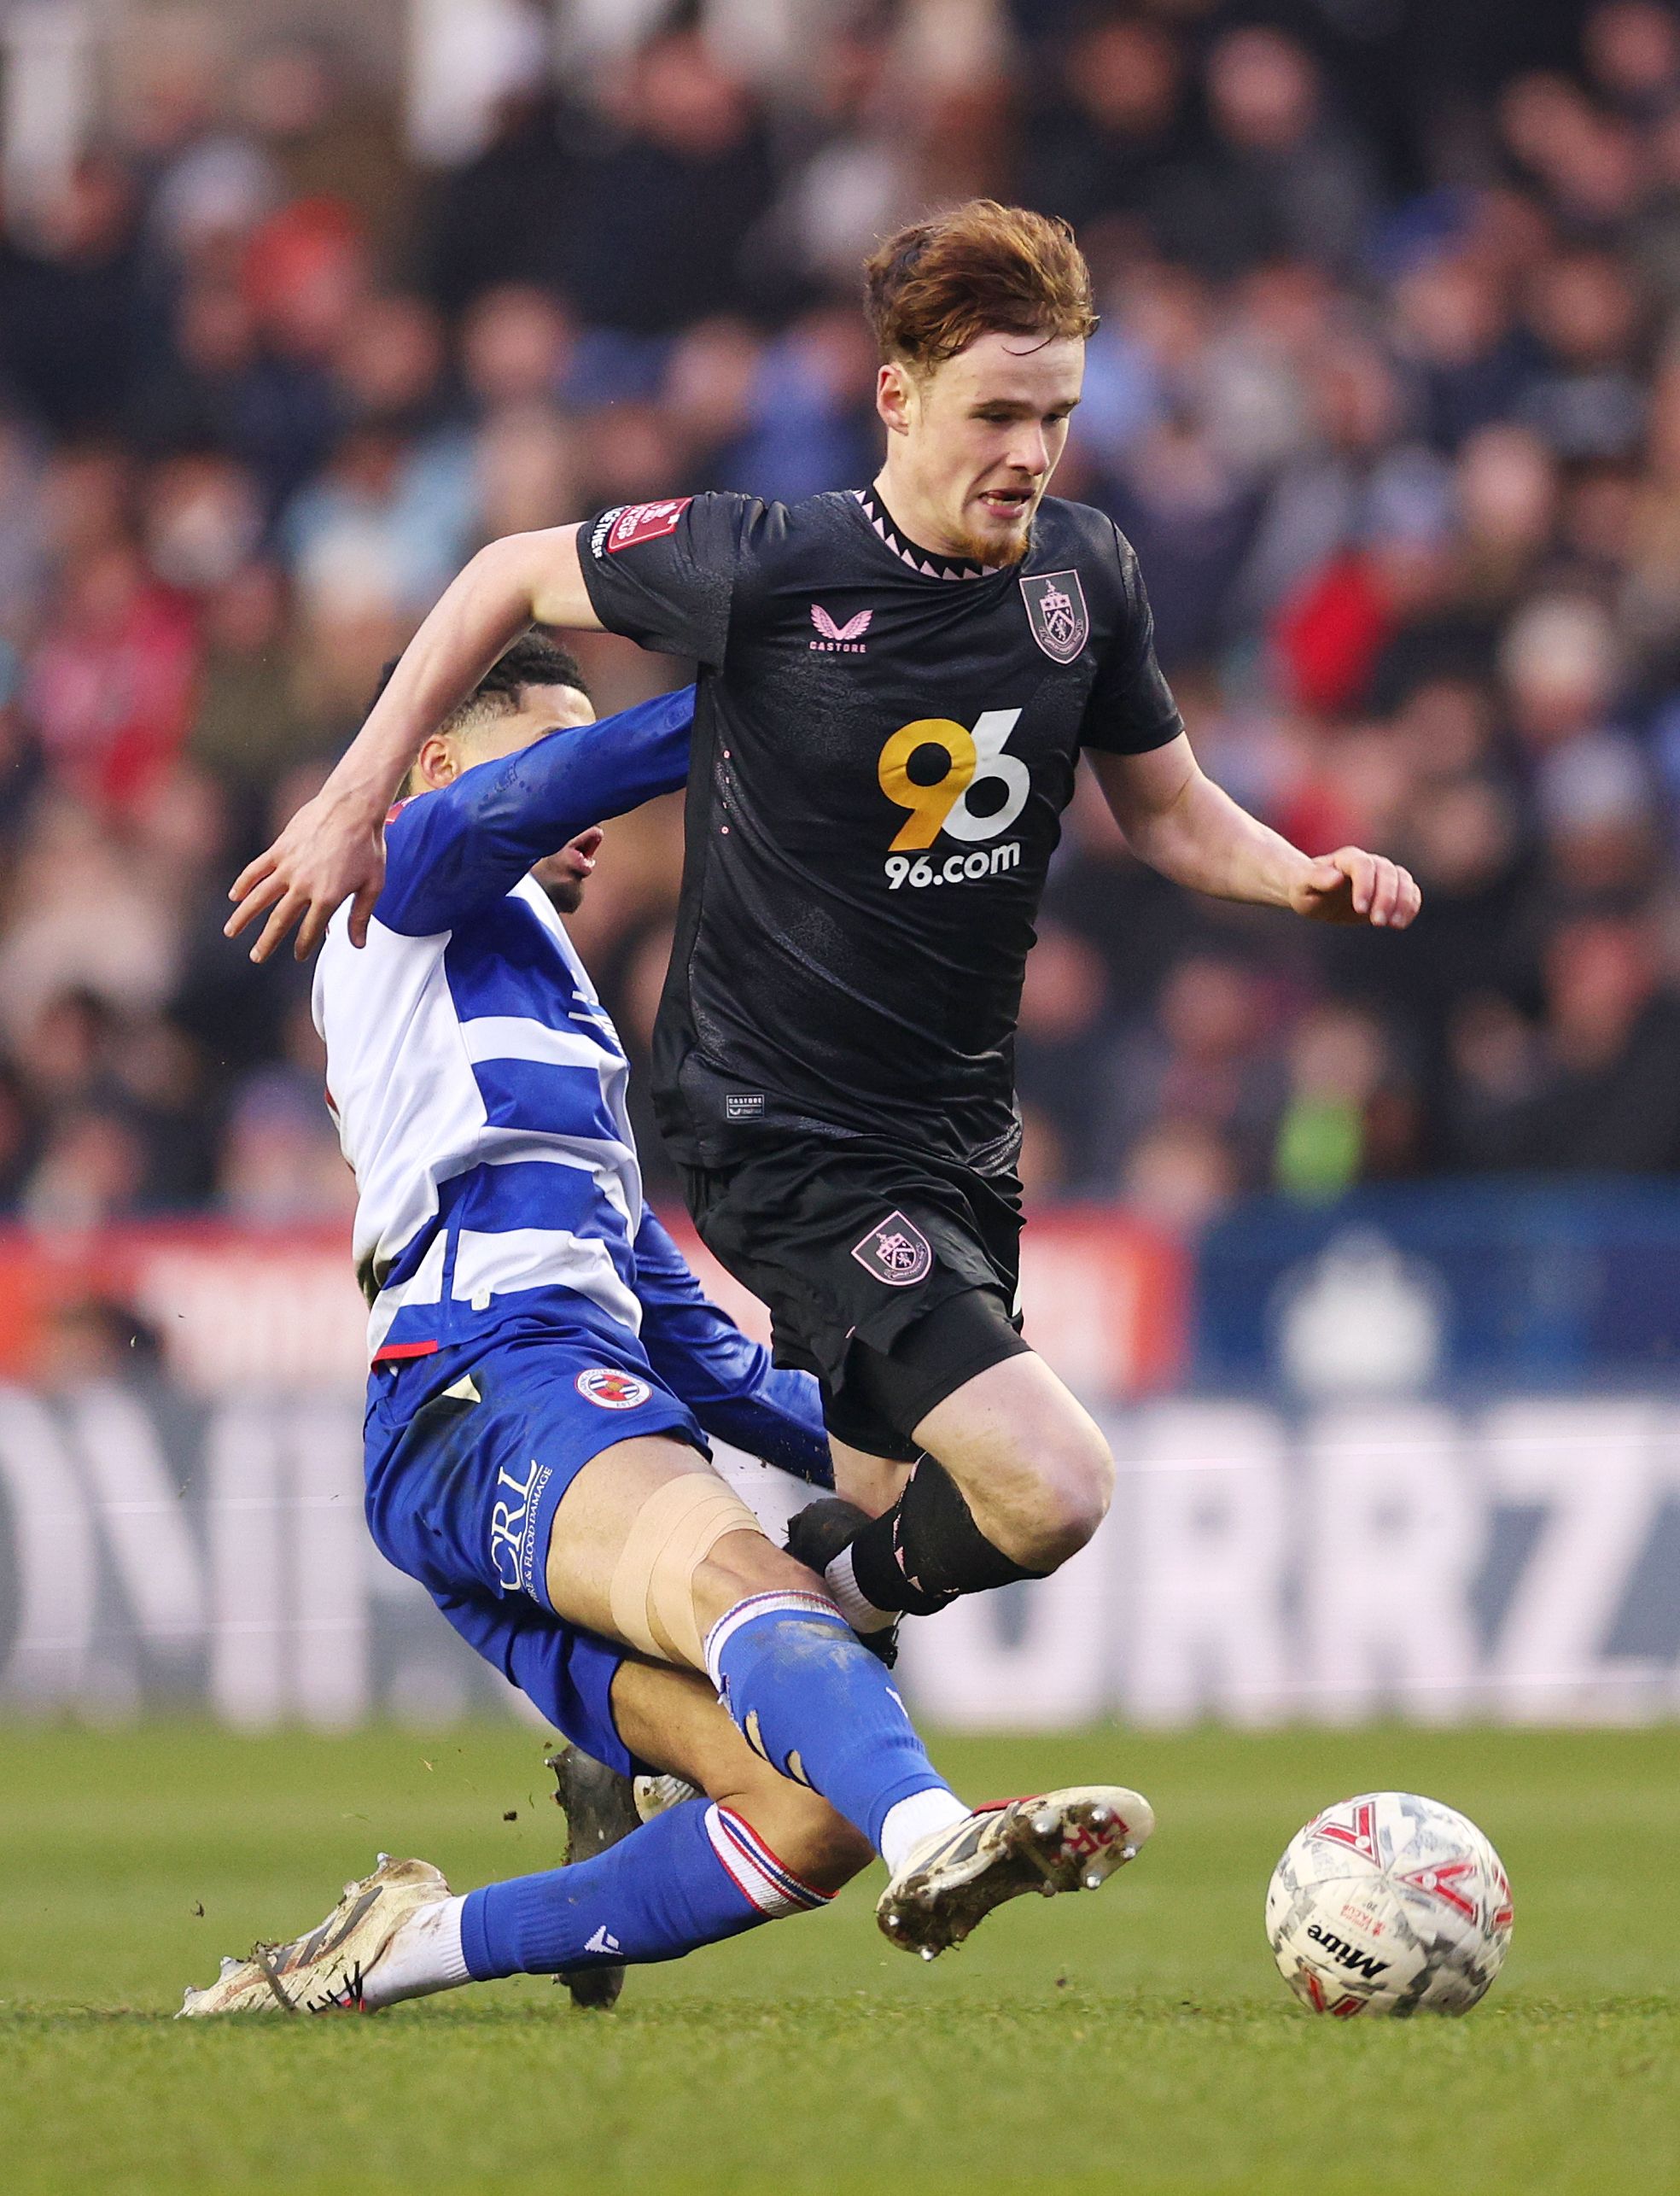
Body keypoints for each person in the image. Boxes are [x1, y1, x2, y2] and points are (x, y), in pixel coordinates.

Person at [225, 200, 1420, 1654]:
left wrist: (1295, 873)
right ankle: (823, 1600)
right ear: (897, 399)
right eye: (996, 415)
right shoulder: (769, 564)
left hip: (959, 1131)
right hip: (787, 1127)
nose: (1031, 454)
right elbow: (500, 576)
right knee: (1052, 1484)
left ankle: (748, 1660)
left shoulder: (1085, 577)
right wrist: (355, 797)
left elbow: (1167, 813)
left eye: (1057, 416)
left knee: (891, 1536)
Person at [182, 636, 1152, 2018]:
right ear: (439, 761)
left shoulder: (561, 1021)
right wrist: (799, 691)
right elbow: (542, 794)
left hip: (532, 1407)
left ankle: (403, 1949)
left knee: (805, 1818)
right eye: (546, 749)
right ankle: (939, 1833)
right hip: (484, 1379)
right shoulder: (395, 870)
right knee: (756, 1594)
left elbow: (709, 1359)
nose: (586, 808)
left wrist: (932, 1429)